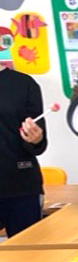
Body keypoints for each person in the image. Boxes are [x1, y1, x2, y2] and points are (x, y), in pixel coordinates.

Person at [0, 65, 46, 236]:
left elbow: (39, 144)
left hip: (20, 185)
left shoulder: (23, 83)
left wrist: (36, 139)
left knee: (29, 248)